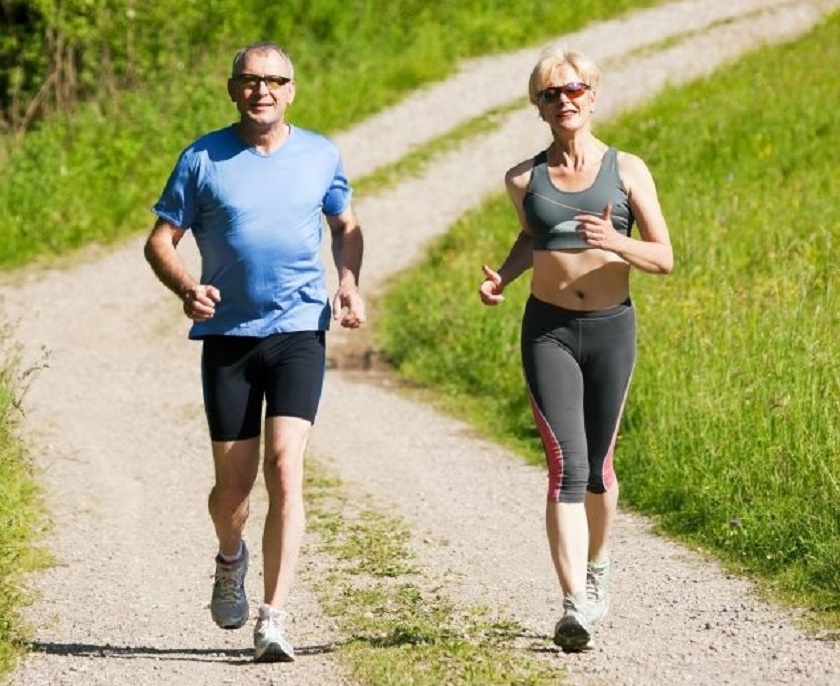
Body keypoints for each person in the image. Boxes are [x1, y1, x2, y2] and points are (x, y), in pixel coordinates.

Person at [143, 40, 365, 663]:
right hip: (228, 339)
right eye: (249, 80)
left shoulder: (321, 154)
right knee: (232, 495)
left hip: (299, 330)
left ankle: (273, 616)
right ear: (233, 88)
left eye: (274, 80)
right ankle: (230, 557)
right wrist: (188, 286)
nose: (261, 90)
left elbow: (346, 225)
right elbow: (160, 240)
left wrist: (347, 281)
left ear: (292, 89)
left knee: (286, 467)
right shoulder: (202, 158)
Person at [478, 47, 673, 652]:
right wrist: (502, 279)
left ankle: (598, 565)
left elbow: (663, 258)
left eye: (575, 90)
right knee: (566, 465)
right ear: (538, 107)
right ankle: (572, 606)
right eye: (551, 94)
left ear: (593, 95)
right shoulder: (521, 179)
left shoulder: (629, 170)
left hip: (612, 328)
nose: (565, 100)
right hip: (549, 330)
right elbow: (531, 235)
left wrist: (617, 242)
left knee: (599, 470)